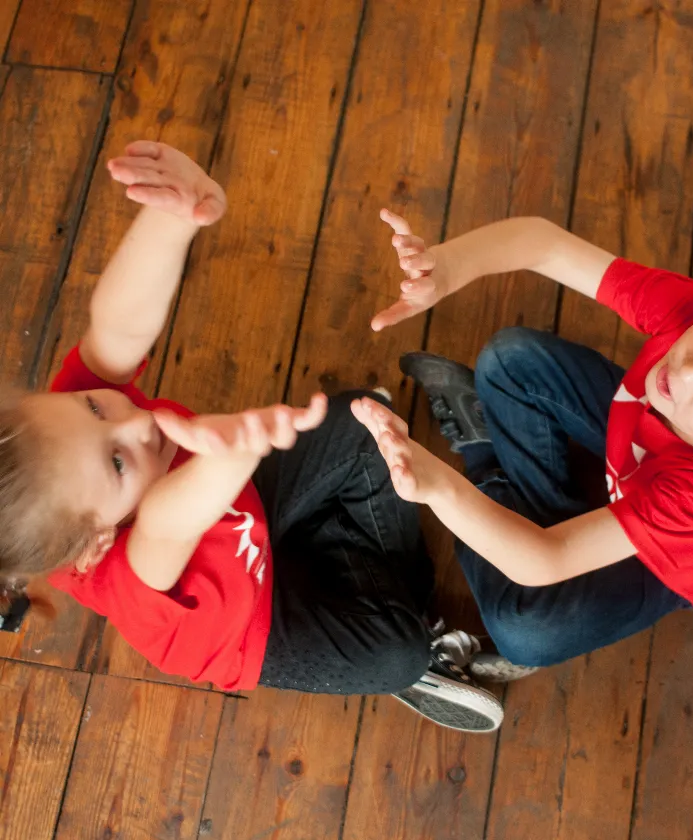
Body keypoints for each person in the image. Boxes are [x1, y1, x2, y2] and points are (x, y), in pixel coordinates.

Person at [0, 144, 503, 733]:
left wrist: (173, 219)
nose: (133, 421)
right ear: (94, 541)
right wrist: (234, 451)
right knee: (398, 653)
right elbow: (167, 523)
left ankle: (364, 568)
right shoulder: (115, 571)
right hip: (252, 621)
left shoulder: (64, 438)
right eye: (117, 461)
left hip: (245, 499)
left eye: (91, 405)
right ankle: (422, 641)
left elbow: (117, 325)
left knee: (365, 424)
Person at [354, 208, 693, 680]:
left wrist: (440, 485)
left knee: (523, 631)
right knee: (510, 358)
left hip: (668, 560)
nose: (690, 369)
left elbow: (549, 559)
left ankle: (484, 460)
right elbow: (544, 243)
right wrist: (451, 265)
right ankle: (522, 508)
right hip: (629, 448)